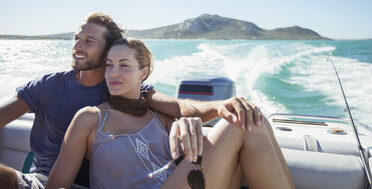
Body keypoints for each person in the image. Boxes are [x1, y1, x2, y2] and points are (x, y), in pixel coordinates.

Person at [0, 13, 267, 189]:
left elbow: (178, 107)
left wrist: (218, 107)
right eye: (76, 38)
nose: (78, 45)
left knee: (246, 123)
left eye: (89, 40)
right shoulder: (48, 85)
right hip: (41, 179)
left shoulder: (129, 90)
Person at [45, 38, 294, 189]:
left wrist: (184, 126)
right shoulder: (89, 118)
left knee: (253, 118)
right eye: (109, 65)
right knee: (238, 122)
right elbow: (57, 185)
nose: (113, 73)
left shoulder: (158, 115)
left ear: (143, 73)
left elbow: (183, 115)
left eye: (124, 66)